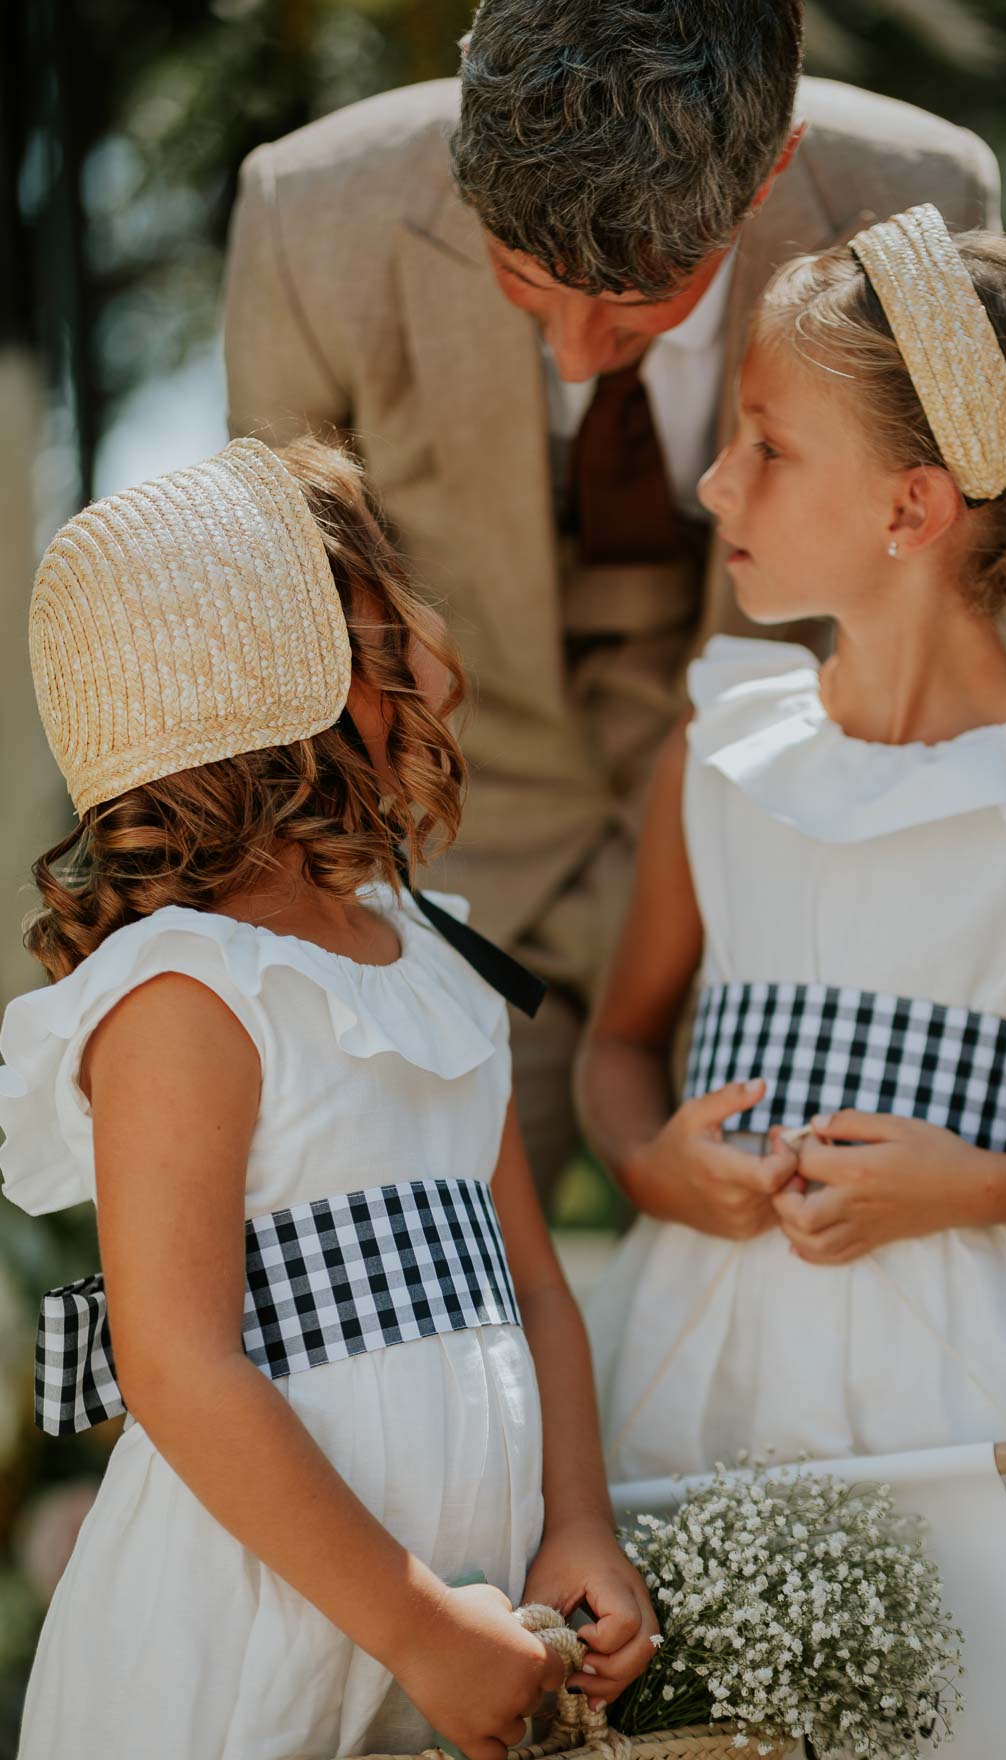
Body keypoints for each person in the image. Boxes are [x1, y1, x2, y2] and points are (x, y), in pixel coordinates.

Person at [222, 0, 1006, 1196]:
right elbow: (282, 611)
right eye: (518, 277)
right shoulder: (308, 213)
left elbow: (967, 585)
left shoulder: (919, 202)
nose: (576, 354)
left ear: (770, 174)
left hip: (786, 856)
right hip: (451, 848)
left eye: (637, 301)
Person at [577, 206, 1006, 1754]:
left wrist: (974, 1189)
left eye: (765, 444)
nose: (717, 484)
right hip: (691, 1369)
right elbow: (620, 1045)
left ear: (911, 505)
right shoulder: (723, 743)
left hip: (966, 1386)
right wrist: (651, 1167)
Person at [0, 437, 655, 1760]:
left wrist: (575, 1515)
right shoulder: (189, 994)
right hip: (257, 1635)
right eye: (378, 612)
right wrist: (412, 1624)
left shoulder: (439, 961)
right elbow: (176, 1364)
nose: (420, 634)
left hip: (466, 1617)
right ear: (279, 683)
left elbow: (532, 1285)